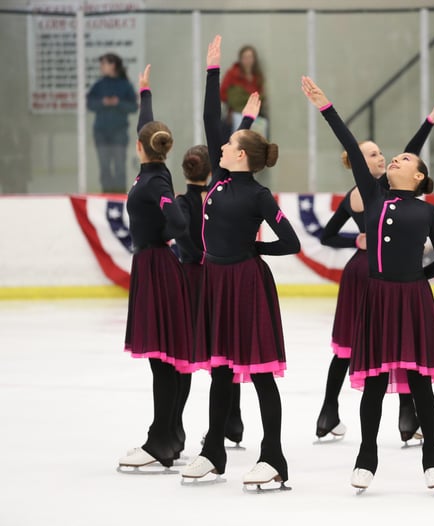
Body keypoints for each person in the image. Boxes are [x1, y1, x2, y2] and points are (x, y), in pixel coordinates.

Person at [303, 75, 434, 492]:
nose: (397, 160)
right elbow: (352, 147)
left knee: (420, 381)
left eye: (406, 161)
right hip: (377, 298)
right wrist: (326, 107)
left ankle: (433, 454)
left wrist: (416, 281)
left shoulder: (428, 212)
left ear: (420, 177)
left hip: (413, 299)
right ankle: (366, 455)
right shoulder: (373, 197)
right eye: (395, 159)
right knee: (372, 382)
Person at [181, 36, 300, 491]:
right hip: (214, 279)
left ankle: (274, 457)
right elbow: (212, 118)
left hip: (246, 284)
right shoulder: (222, 178)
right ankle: (213, 451)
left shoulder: (258, 194)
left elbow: (290, 241)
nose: (222, 146)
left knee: (262, 374)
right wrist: (212, 72)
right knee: (221, 371)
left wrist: (257, 251)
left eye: (230, 144)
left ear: (242, 156)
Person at [117, 64, 193, 472]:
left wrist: (168, 231)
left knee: (163, 361)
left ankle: (160, 442)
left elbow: (179, 222)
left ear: (140, 147)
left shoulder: (155, 183)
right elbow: (147, 129)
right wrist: (145, 94)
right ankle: (170, 435)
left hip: (156, 265)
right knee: (166, 360)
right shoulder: (155, 170)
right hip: (156, 265)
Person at [175, 94, 261, 449]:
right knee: (227, 351)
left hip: (205, 278)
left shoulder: (207, 194)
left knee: (217, 353)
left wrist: (193, 257)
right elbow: (231, 149)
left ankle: (217, 423)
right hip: (215, 275)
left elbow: (181, 235)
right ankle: (233, 419)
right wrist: (246, 121)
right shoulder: (218, 190)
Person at [86, 53, 138, 193]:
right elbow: (89, 103)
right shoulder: (99, 85)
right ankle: (106, 194)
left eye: (104, 64)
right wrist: (102, 102)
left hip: (119, 132)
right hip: (101, 132)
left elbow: (133, 106)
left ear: (113, 65)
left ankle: (119, 195)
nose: (101, 67)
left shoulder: (125, 85)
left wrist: (118, 103)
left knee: (120, 165)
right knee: (104, 166)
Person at [220, 45, 267, 135]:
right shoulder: (232, 74)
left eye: (250, 57)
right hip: (237, 113)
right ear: (240, 59)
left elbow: (261, 96)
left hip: (255, 113)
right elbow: (224, 94)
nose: (248, 60)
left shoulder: (257, 76)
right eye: (245, 57)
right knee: (240, 136)